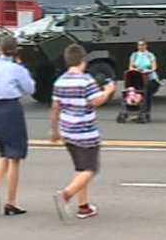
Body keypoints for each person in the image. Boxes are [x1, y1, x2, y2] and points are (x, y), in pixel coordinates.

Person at [50, 43, 116, 221]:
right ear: (82, 60)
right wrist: (108, 91)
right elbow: (95, 101)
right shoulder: (86, 80)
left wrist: (55, 131)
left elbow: (55, 108)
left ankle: (84, 206)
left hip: (67, 131)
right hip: (85, 132)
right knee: (90, 168)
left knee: (80, 169)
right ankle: (66, 194)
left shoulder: (60, 81)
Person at [0, 36, 36, 215]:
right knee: (15, 157)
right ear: (16, 51)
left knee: (4, 153)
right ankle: (11, 201)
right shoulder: (16, 69)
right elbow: (30, 89)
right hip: (10, 108)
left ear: (0, 50)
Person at [128, 40, 158, 113]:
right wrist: (135, 70)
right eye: (139, 45)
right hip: (138, 76)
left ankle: (146, 110)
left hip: (149, 77)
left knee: (146, 93)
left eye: (143, 45)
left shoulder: (150, 55)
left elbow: (154, 67)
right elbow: (130, 66)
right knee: (135, 91)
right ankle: (135, 107)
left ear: (146, 46)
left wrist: (148, 70)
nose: (141, 46)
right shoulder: (134, 55)